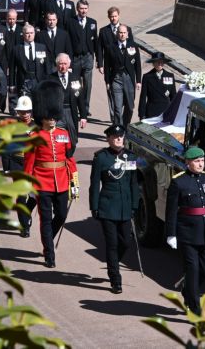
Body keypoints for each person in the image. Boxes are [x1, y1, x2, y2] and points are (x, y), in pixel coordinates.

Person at [24, 80, 79, 268]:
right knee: (45, 218)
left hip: (62, 181)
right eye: (49, 117)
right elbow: (29, 162)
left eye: (54, 116)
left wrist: (75, 182)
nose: (53, 119)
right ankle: (49, 252)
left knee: (62, 215)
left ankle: (48, 239)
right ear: (43, 116)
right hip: (42, 182)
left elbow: (69, 159)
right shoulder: (35, 137)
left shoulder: (63, 133)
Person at [165, 147, 205, 315]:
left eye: (202, 161)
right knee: (193, 270)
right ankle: (195, 308)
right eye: (197, 161)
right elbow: (171, 210)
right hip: (187, 234)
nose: (200, 164)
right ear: (188, 162)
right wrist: (171, 234)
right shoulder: (178, 182)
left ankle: (187, 290)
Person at [89, 124, 140, 294]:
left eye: (121, 136)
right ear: (108, 139)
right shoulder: (101, 158)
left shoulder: (130, 157)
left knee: (125, 241)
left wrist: (135, 204)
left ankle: (113, 262)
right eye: (115, 137)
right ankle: (115, 279)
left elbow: (134, 183)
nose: (119, 139)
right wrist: (94, 207)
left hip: (125, 207)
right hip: (108, 207)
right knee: (112, 244)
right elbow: (95, 184)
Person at [1, 95, 37, 238]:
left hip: (33, 164)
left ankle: (26, 212)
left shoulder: (38, 126)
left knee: (35, 196)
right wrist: (6, 168)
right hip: (17, 164)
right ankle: (24, 226)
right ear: (18, 113)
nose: (25, 114)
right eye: (22, 112)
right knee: (21, 196)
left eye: (28, 111)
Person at [98, 6, 134, 121]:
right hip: (111, 69)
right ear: (108, 17)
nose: (113, 18)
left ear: (119, 16)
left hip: (125, 71)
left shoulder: (127, 29)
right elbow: (99, 48)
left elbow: (131, 47)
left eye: (115, 16)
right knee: (112, 95)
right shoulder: (103, 31)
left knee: (128, 101)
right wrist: (100, 64)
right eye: (111, 16)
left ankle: (122, 119)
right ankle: (115, 120)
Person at [49, 53, 87, 155]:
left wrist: (83, 116)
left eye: (65, 63)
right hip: (58, 114)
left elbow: (80, 98)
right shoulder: (50, 79)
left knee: (73, 139)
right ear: (57, 65)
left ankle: (69, 156)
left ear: (69, 64)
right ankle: (60, 157)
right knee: (57, 137)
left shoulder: (75, 78)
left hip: (71, 112)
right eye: (60, 64)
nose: (63, 66)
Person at [67, 0, 98, 115]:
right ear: (77, 9)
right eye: (81, 8)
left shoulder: (92, 22)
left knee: (88, 84)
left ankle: (85, 108)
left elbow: (96, 41)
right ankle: (75, 106)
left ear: (88, 9)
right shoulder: (70, 22)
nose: (83, 11)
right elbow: (67, 41)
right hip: (75, 58)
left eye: (85, 8)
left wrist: (99, 60)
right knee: (75, 84)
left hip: (88, 57)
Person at [107, 24, 141, 126]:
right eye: (120, 33)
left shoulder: (133, 46)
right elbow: (107, 66)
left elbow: (138, 65)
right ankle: (118, 129)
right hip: (116, 79)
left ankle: (125, 126)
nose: (122, 35)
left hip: (129, 79)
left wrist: (138, 81)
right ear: (117, 34)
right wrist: (107, 82)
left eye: (124, 33)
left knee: (130, 107)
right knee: (117, 108)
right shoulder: (111, 47)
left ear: (127, 34)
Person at [9, 24, 48, 100]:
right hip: (23, 82)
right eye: (27, 33)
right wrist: (11, 84)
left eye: (31, 33)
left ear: (34, 34)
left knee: (38, 104)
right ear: (23, 34)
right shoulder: (16, 49)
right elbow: (12, 69)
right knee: (25, 105)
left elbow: (46, 67)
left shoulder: (42, 47)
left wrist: (46, 83)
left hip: (38, 81)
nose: (29, 35)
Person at [138, 52, 176, 120]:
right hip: (152, 111)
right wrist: (142, 115)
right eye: (157, 62)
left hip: (165, 111)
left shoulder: (170, 76)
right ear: (153, 63)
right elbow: (143, 97)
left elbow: (173, 97)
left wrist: (174, 112)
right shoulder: (147, 77)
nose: (160, 64)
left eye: (162, 62)